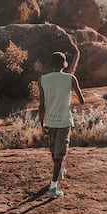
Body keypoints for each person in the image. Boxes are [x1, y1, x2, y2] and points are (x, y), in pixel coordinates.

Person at [38, 51, 85, 199]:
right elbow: (82, 100)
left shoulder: (42, 80)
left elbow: (41, 105)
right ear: (64, 65)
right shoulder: (71, 79)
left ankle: (59, 172)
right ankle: (53, 187)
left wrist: (41, 123)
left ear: (51, 64)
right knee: (59, 154)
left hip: (50, 121)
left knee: (55, 152)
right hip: (64, 121)